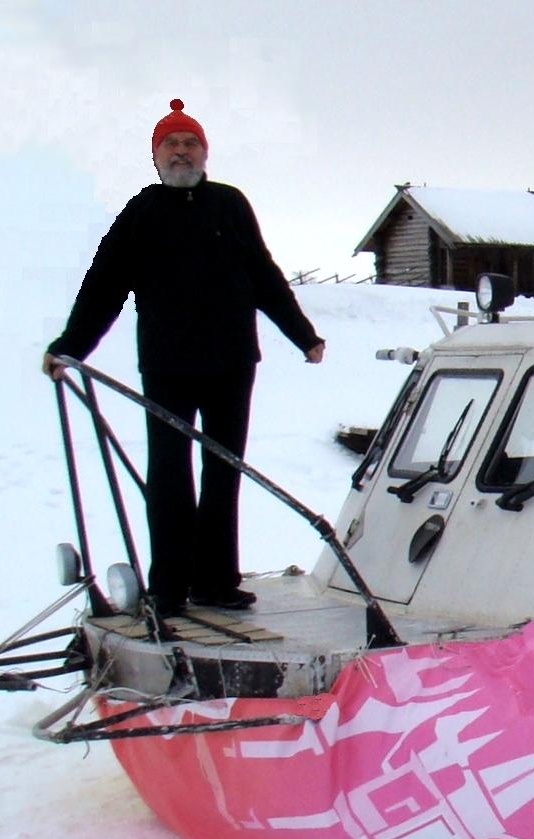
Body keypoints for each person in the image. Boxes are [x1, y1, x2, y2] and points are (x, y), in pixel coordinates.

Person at [43, 99, 325, 614]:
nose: (180, 152)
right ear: (155, 157)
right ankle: (169, 588)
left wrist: (302, 335)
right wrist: (70, 347)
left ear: (204, 153)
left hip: (232, 362)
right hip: (168, 365)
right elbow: (103, 287)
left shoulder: (230, 204)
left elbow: (264, 274)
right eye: (170, 144)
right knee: (170, 475)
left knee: (224, 472)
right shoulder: (141, 213)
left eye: (188, 142)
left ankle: (216, 582)